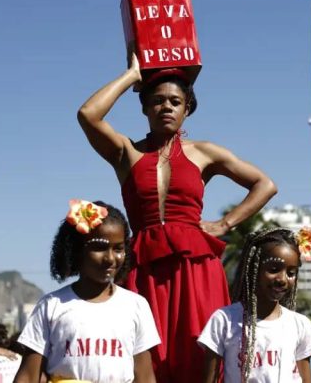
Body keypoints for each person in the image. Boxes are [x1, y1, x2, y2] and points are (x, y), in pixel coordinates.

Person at [76, 54, 277, 381]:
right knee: (144, 359)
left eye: (175, 101)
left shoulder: (205, 152)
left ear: (187, 108)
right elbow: (88, 114)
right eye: (157, 101)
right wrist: (132, 75)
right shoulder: (127, 152)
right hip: (144, 267)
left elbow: (264, 184)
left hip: (196, 267)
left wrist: (224, 224)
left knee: (201, 353)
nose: (166, 107)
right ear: (144, 108)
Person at [15, 201, 159, 383]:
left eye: (118, 249)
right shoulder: (52, 305)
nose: (110, 258)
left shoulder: (136, 306)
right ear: (76, 250)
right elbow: (28, 376)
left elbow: (145, 376)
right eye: (99, 247)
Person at [198, 228, 311, 382]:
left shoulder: (300, 324)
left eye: (291, 273)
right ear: (253, 270)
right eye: (274, 270)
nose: (282, 279)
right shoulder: (224, 320)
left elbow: (305, 379)